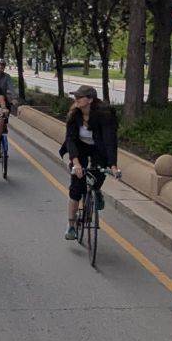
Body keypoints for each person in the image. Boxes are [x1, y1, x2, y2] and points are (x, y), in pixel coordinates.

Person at [62, 84, 118, 241]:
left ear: (90, 100)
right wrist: (76, 163)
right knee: (76, 187)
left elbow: (110, 140)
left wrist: (113, 165)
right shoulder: (74, 115)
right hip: (79, 148)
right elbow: (70, 140)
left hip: (98, 149)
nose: (76, 99)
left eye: (80, 97)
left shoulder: (105, 115)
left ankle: (96, 191)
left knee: (99, 172)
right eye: (76, 97)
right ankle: (71, 225)